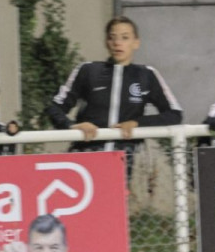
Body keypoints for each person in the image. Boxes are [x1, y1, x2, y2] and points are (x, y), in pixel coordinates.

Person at [45, 16, 183, 175]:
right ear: (106, 42)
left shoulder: (147, 75)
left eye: (125, 38)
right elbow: (55, 108)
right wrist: (71, 126)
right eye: (112, 37)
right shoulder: (87, 70)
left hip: (128, 161)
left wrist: (137, 123)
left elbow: (175, 114)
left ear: (136, 43)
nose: (118, 43)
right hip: (86, 159)